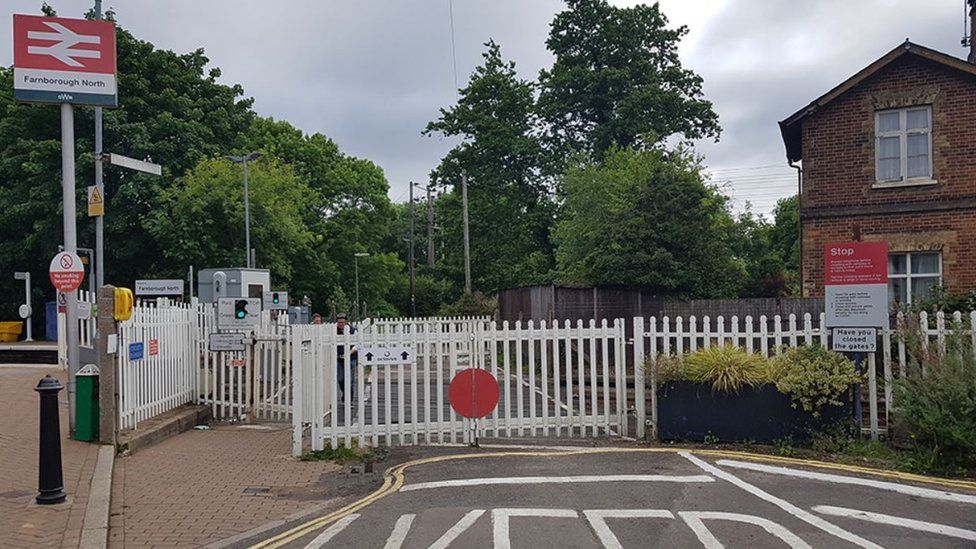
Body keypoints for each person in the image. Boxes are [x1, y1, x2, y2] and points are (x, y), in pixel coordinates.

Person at [335, 313, 358, 401]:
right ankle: (345, 393)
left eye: (342, 322)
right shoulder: (334, 330)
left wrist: (349, 353)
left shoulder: (353, 330)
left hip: (351, 358)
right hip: (339, 359)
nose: (341, 324)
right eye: (339, 322)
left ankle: (349, 400)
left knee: (350, 380)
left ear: (346, 322)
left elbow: (357, 345)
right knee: (340, 379)